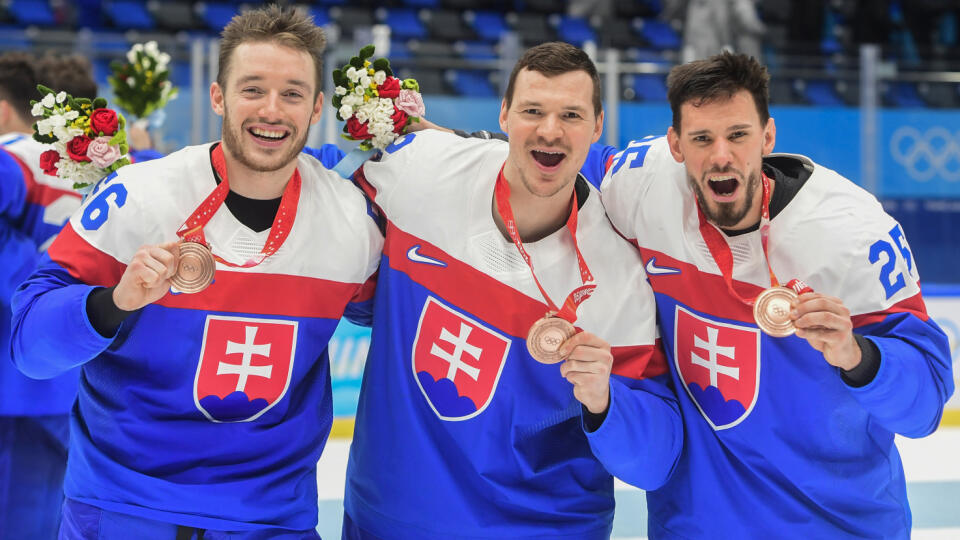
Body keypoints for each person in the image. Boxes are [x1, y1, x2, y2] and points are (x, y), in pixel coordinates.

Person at [11, 5, 382, 537]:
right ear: (217, 97)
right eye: (252, 89)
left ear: (317, 106)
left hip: (270, 519)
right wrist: (114, 301)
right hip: (124, 510)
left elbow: (404, 316)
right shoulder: (139, 196)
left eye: (292, 93)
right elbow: (30, 346)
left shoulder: (350, 218)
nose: (271, 110)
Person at [597, 51, 954, 538]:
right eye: (702, 138)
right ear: (675, 145)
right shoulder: (641, 182)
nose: (721, 154)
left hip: (837, 525)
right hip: (695, 526)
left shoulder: (852, 231)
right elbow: (560, 159)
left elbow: (926, 404)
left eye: (738, 135)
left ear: (767, 136)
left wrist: (857, 356)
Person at [343, 42, 682, 539]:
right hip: (390, 521)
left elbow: (655, 463)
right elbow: (341, 267)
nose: (550, 129)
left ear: (597, 125)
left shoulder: (621, 278)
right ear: (503, 115)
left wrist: (607, 402)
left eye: (571, 114)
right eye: (532, 111)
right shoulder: (421, 170)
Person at [0, 50, 84, 539]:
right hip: (70, 376)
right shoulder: (86, 160)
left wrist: (31, 279)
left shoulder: (11, 158)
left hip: (14, 387)